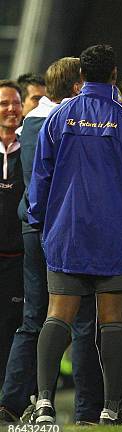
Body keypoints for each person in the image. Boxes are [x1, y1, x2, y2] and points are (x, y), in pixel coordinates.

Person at [28, 44, 122, 425]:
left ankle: (44, 404)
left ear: (82, 76)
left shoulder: (59, 116)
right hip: (115, 232)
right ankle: (110, 408)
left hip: (67, 230)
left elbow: (40, 176)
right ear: (114, 75)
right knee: (113, 319)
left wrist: (38, 216)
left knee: (57, 313)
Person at [0, 80, 24, 393]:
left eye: (16, 103)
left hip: (19, 258)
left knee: (13, 328)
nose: (10, 109)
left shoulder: (30, 147)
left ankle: (9, 398)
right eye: (4, 103)